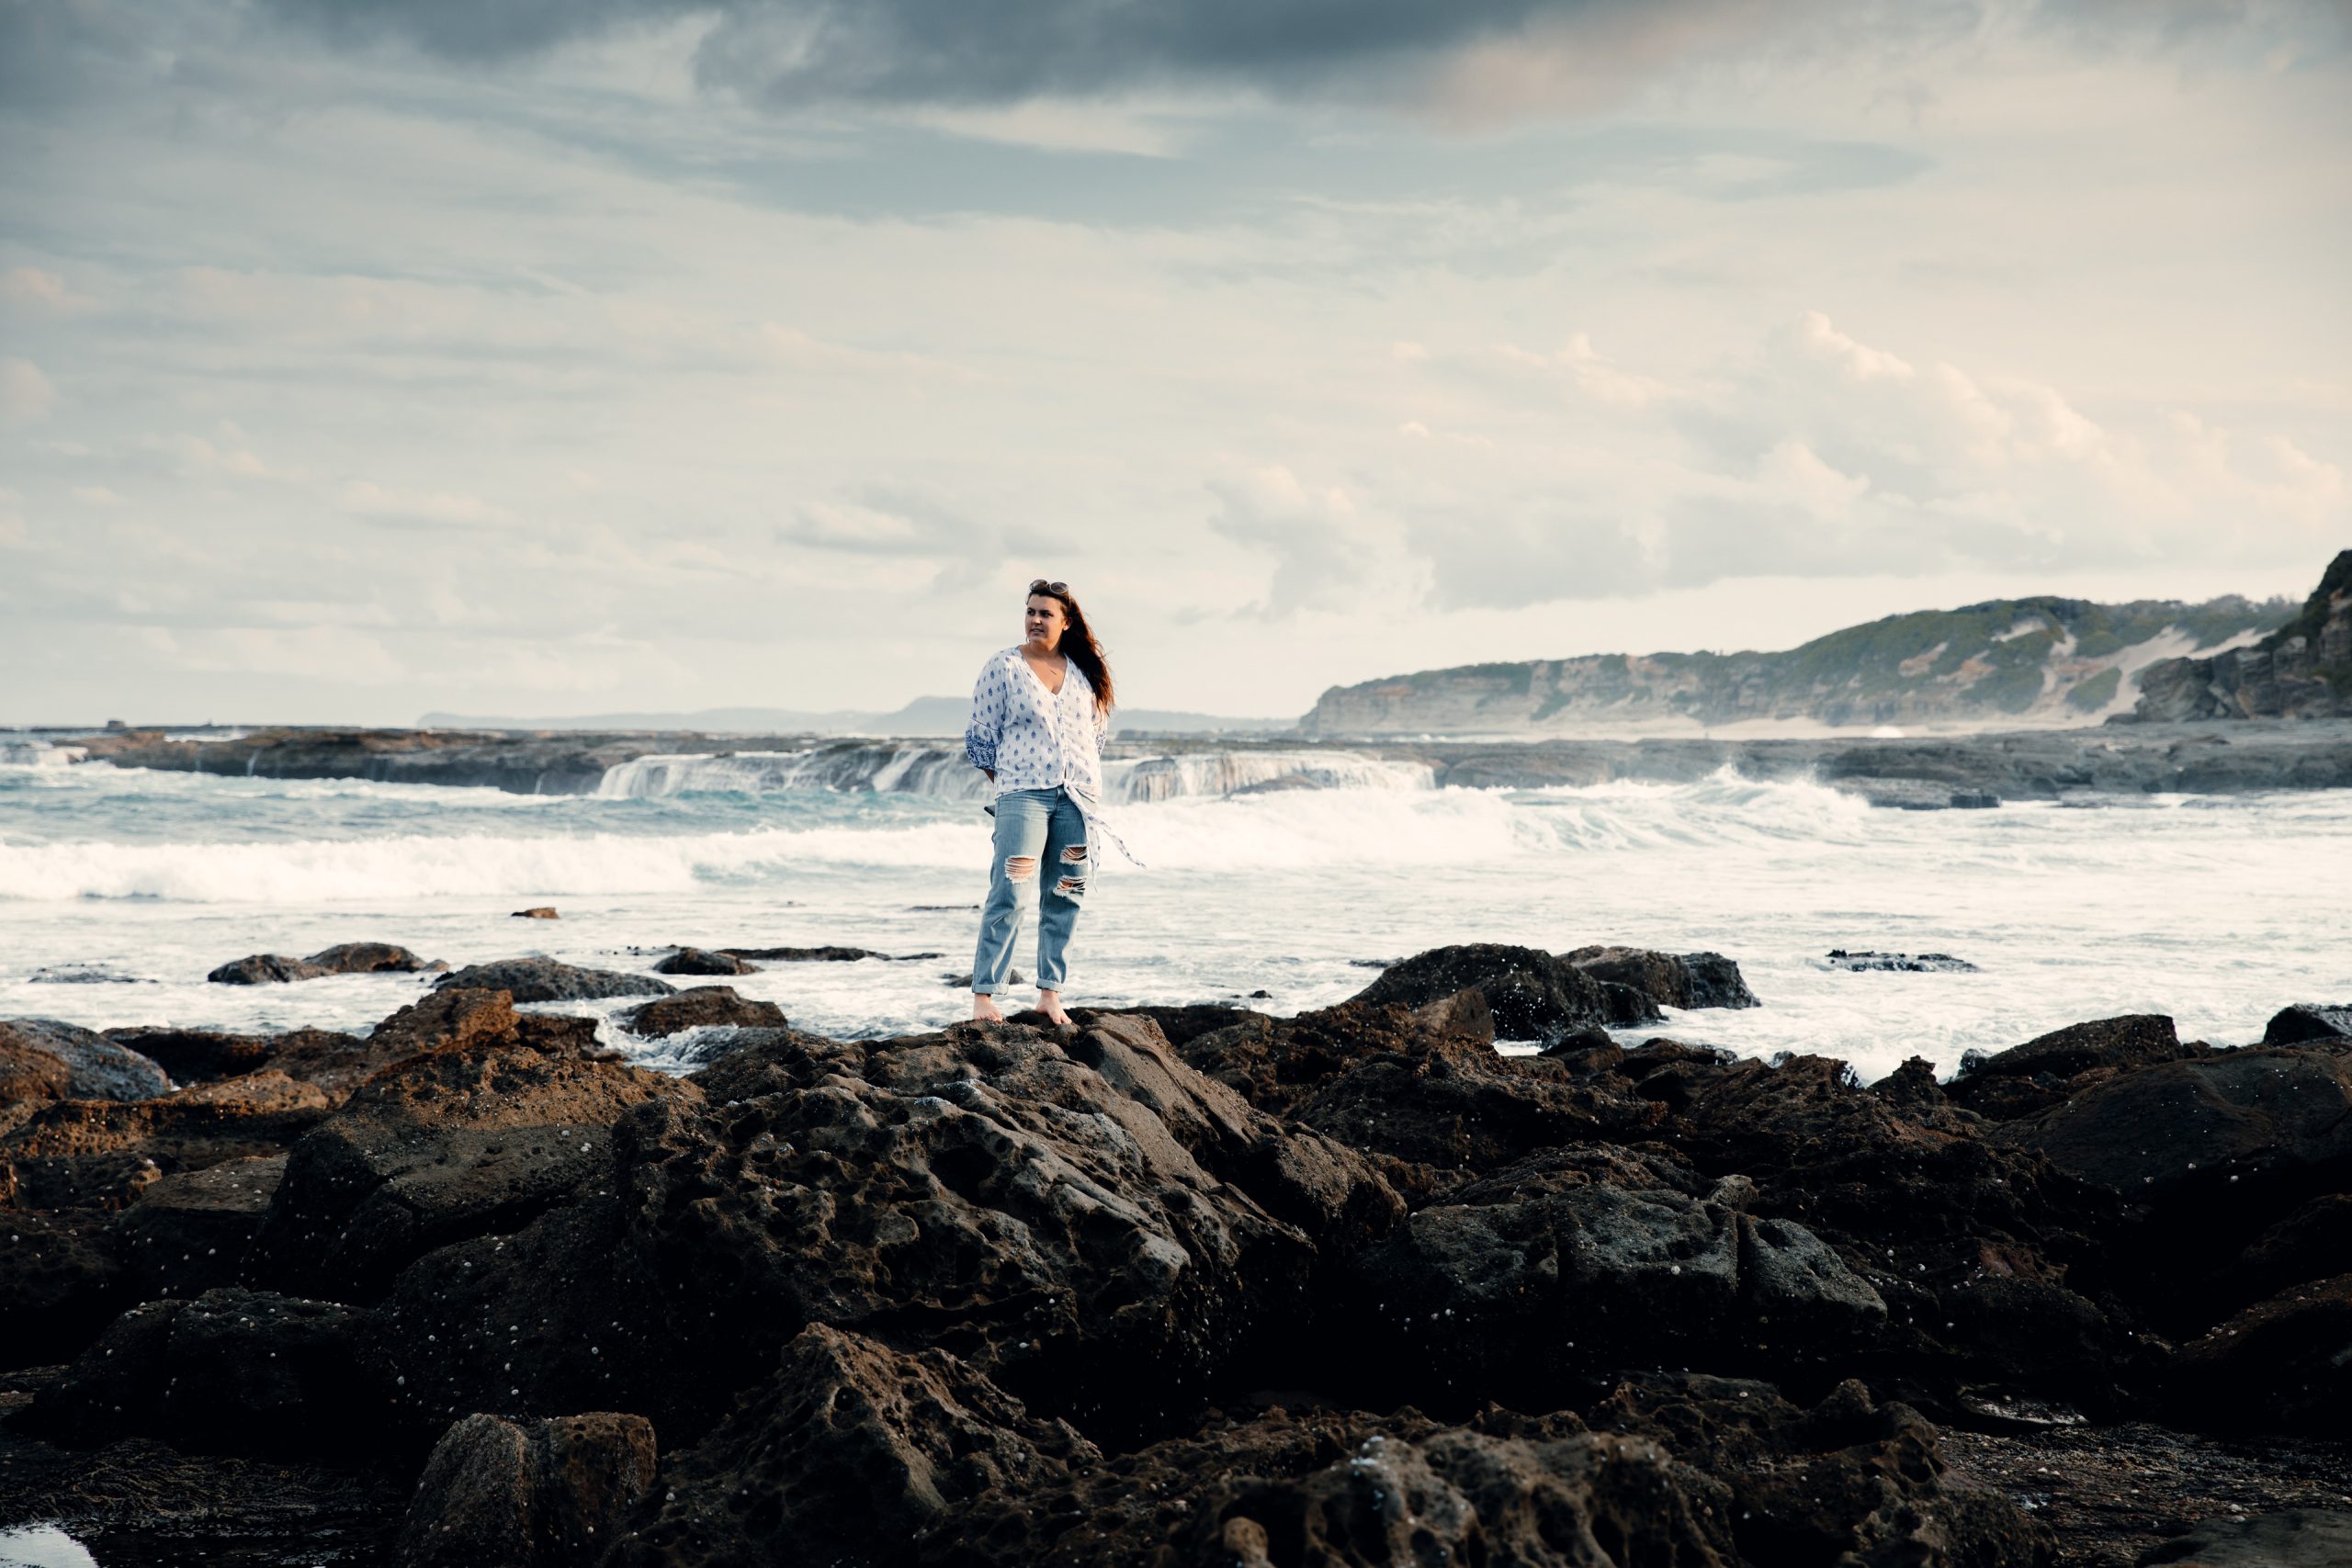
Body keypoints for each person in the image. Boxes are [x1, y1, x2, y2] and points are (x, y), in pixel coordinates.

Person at [963, 579, 1120, 1025]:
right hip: (1023, 796)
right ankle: (985, 997)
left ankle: (1051, 994)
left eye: (1045, 613)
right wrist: (1011, 782)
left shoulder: (1085, 674)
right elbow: (979, 737)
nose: (1035, 619)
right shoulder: (1004, 667)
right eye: (1030, 611)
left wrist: (1078, 777)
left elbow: (1096, 735)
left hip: (1077, 800)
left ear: (1065, 622)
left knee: (1067, 892)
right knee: (1010, 890)